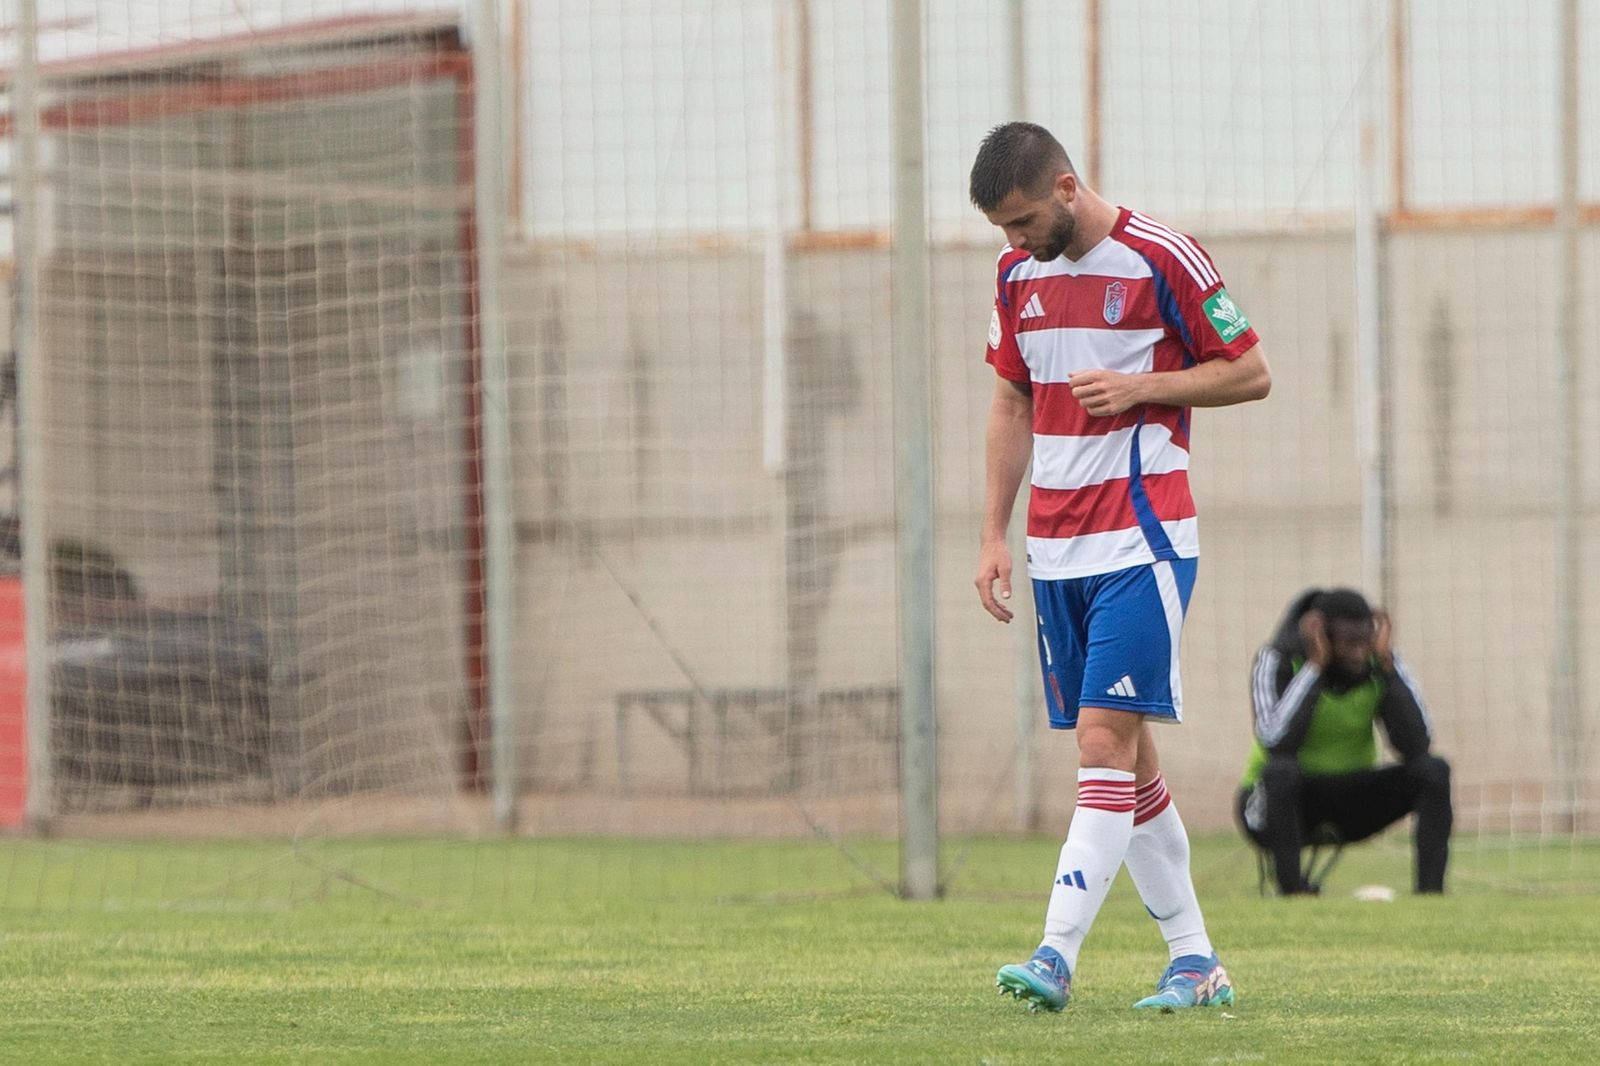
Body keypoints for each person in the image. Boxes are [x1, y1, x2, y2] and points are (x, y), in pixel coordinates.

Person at [970, 122, 1271, 1013]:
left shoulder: (1162, 257)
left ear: (1066, 188)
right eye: (1001, 229)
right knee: (1128, 763)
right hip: (1055, 550)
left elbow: (1250, 370)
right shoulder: (1014, 276)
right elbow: (1010, 400)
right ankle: (1195, 959)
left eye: (1023, 220)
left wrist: (1145, 387)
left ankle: (1055, 953)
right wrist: (992, 532)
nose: (1015, 241)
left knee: (1100, 742)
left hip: (1144, 540)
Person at [1238, 588, 1452, 896]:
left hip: (1351, 800)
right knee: (1280, 773)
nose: (1359, 653)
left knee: (1434, 770)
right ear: (1321, 635)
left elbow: (1417, 744)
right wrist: (1315, 669)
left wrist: (1389, 671)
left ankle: (1429, 893)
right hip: (1278, 804)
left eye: (1364, 641)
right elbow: (1276, 742)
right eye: (1348, 643)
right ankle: (1292, 892)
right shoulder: (1277, 659)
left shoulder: (1381, 662)